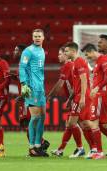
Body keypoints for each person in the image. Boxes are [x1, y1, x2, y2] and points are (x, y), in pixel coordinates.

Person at [64, 42, 104, 159]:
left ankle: (86, 148)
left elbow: (84, 80)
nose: (65, 53)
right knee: (83, 123)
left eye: (66, 51)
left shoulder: (80, 62)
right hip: (77, 96)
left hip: (82, 97)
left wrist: (81, 98)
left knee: (74, 123)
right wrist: (71, 98)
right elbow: (76, 83)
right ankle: (93, 149)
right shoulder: (74, 63)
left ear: (73, 51)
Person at [49, 46, 84, 158]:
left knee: (78, 124)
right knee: (70, 124)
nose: (58, 56)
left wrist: (49, 96)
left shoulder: (68, 65)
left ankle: (83, 148)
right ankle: (60, 150)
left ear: (65, 54)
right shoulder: (70, 65)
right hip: (74, 97)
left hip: (78, 97)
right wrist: (70, 99)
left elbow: (60, 84)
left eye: (60, 54)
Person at [19, 29, 49, 157]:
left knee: (42, 117)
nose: (37, 38)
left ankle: (38, 145)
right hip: (31, 88)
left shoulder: (42, 51)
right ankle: (31, 147)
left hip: (40, 88)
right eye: (35, 36)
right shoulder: (28, 51)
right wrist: (24, 84)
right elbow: (22, 67)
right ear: (32, 38)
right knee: (35, 117)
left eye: (39, 36)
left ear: (43, 38)